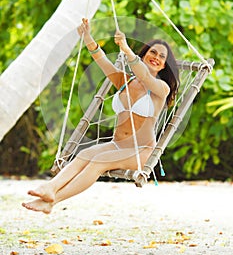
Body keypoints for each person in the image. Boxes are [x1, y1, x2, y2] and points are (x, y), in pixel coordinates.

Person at [22, 18, 179, 214]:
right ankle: (51, 188)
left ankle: (52, 201)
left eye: (161, 56)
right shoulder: (125, 81)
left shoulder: (160, 89)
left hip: (141, 151)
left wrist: (126, 49)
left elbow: (146, 77)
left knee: (98, 161)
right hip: (117, 145)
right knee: (84, 154)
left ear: (164, 65)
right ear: (145, 55)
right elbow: (101, 60)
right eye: (152, 52)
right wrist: (87, 37)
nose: (156, 57)